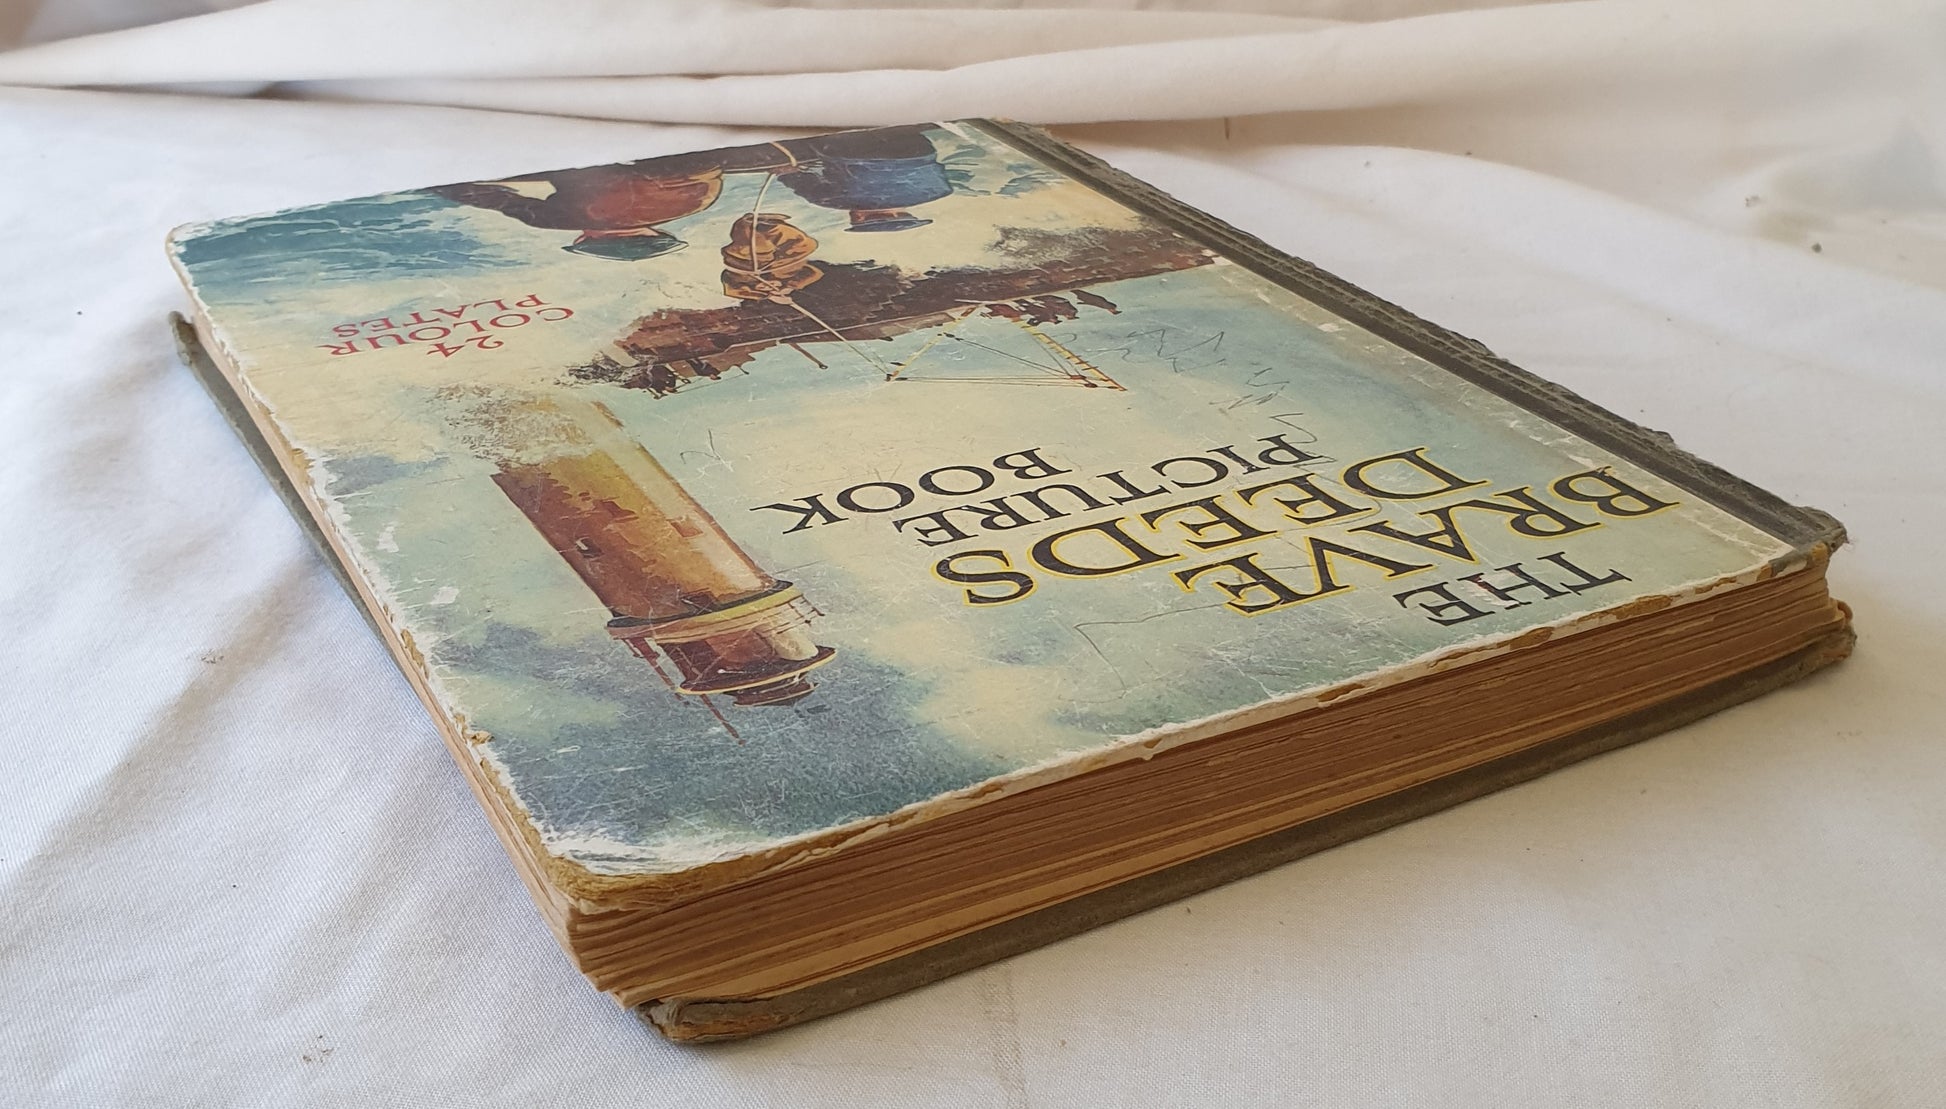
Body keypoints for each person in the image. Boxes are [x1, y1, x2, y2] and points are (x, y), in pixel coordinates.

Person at [776, 126, 953, 232]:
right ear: (859, 217)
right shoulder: (835, 201)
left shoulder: (941, 191)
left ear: (904, 213)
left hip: (916, 148)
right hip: (851, 150)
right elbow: (789, 174)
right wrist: (785, 172)